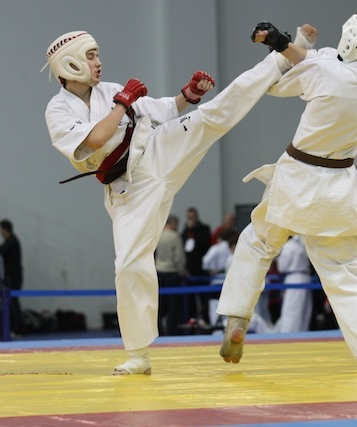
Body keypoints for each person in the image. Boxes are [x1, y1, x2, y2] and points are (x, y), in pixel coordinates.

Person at [44, 29, 297, 375]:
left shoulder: (110, 90)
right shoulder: (58, 109)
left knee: (212, 115)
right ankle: (139, 355)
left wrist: (189, 94)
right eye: (90, 56)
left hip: (156, 149)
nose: (98, 62)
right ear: (70, 63)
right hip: (127, 189)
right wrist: (123, 102)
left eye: (97, 54)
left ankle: (278, 61)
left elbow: (163, 109)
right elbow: (96, 139)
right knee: (129, 265)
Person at [216, 14, 357, 373]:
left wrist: (281, 43)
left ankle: (238, 317)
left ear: (352, 38)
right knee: (345, 270)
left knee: (257, 243)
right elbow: (319, 63)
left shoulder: (327, 71)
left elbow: (275, 83)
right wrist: (294, 44)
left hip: (298, 177)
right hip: (340, 184)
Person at [155, 214, 186, 336]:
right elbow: (179, 256)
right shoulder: (175, 236)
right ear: (172, 223)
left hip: (159, 270)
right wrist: (181, 269)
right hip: (171, 271)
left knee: (160, 304)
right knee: (174, 305)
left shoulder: (157, 235)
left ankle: (158, 330)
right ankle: (172, 330)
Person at [181, 207, 211, 322]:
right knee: (190, 301)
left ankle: (206, 321)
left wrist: (193, 230)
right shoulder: (185, 231)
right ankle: (191, 322)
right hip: (189, 271)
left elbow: (203, 243)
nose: (191, 220)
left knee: (204, 300)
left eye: (193, 218)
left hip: (201, 269)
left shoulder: (204, 229)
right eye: (189, 218)